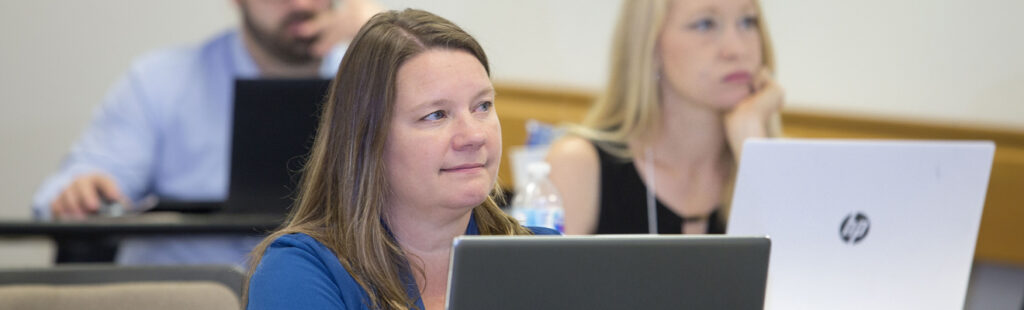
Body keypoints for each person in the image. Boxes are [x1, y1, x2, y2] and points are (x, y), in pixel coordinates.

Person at [245, 9, 559, 310]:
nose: (474, 136)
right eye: (436, 115)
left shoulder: (545, 256)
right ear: (368, 140)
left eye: (482, 106)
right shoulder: (299, 273)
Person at [31, 0, 382, 265]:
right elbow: (72, 190)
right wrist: (81, 192)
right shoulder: (162, 81)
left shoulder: (375, 80)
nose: (303, 5)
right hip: (190, 291)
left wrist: (379, 40)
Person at [546, 0, 784, 235]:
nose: (737, 49)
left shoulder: (780, 169)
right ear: (650, 45)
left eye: (747, 21)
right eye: (705, 24)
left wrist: (751, 140)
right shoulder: (579, 165)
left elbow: (793, 266)